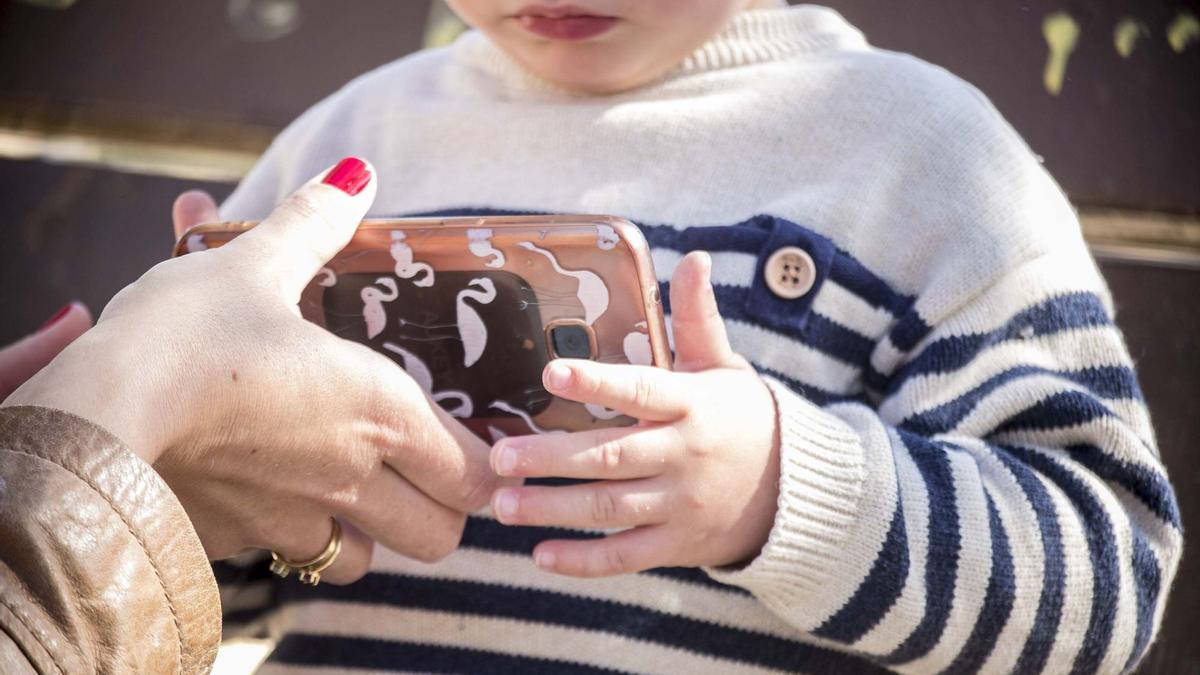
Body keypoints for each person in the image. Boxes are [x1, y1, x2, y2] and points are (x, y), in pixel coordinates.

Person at [1, 0, 1181, 673]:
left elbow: (1106, 583)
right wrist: (194, 477)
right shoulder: (351, 143)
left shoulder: (920, 159)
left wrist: (787, 493)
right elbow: (225, 607)